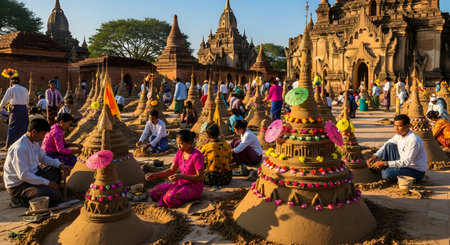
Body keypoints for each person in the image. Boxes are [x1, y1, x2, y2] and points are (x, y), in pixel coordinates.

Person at [4, 118, 71, 207]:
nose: (43, 137)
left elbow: (43, 158)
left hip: (34, 174)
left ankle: (45, 189)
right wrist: (48, 183)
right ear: (34, 132)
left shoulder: (34, 143)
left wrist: (60, 165)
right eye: (43, 134)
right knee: (55, 196)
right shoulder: (19, 148)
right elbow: (24, 175)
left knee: (55, 171)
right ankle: (20, 200)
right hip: (19, 185)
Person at [147, 130, 204, 208]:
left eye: (181, 143)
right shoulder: (180, 152)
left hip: (193, 187)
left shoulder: (197, 155)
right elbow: (171, 170)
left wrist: (180, 177)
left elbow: (199, 177)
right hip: (181, 183)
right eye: (177, 143)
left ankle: (177, 199)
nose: (178, 146)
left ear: (189, 142)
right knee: (155, 192)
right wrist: (154, 175)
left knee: (169, 197)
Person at [367, 114, 427, 182]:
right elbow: (385, 145)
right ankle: (385, 169)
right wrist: (376, 155)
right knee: (389, 145)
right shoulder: (399, 135)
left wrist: (384, 163)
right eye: (395, 126)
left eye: (399, 126)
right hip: (403, 164)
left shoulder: (413, 140)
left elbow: (405, 162)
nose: (396, 128)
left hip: (415, 170)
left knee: (387, 174)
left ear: (407, 126)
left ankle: (385, 170)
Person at [0, 77, 29, 149]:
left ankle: (8, 145)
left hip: (16, 109)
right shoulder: (25, 89)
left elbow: (5, 100)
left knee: (12, 126)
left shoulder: (11, 89)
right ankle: (23, 144)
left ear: (11, 82)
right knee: (23, 126)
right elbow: (27, 101)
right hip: (24, 109)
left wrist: (0, 107)